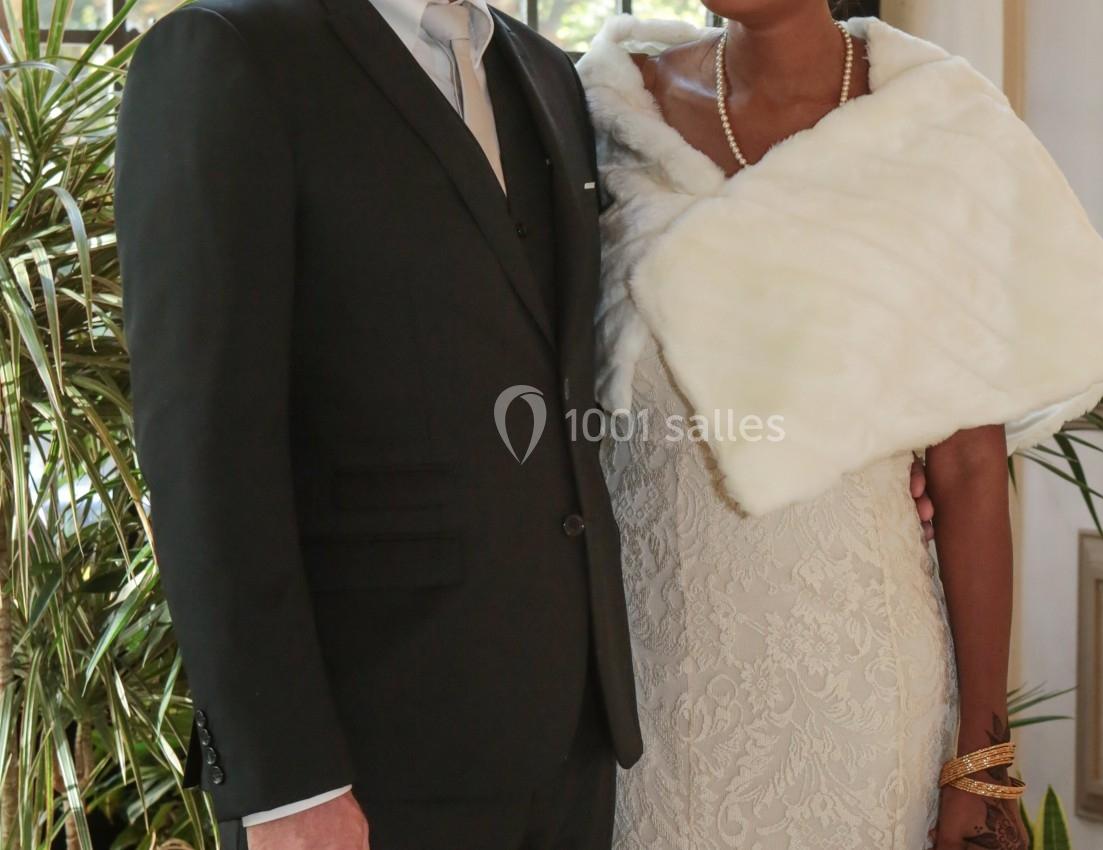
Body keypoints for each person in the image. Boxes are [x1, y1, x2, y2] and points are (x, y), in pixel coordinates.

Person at [114, 0, 938, 847]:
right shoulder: (230, 53)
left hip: (579, 751)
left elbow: (605, 353)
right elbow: (204, 452)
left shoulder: (548, 72)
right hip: (368, 759)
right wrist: (285, 786)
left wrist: (866, 459)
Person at [577, 3, 1103, 849]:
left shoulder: (936, 124)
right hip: (642, 684)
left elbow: (967, 468)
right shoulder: (603, 109)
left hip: (853, 683)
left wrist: (982, 755)